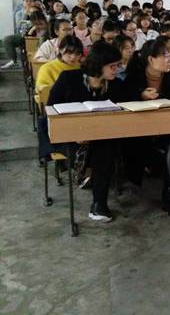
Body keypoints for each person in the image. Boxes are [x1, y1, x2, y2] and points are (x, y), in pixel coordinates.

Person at [48, 41, 126, 222]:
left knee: (105, 149)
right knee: (102, 152)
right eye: (112, 66)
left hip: (105, 137)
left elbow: (126, 110)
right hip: (71, 137)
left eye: (118, 65)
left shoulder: (116, 85)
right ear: (99, 65)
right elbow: (51, 111)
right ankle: (88, 176)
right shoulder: (69, 79)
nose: (116, 70)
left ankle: (99, 203)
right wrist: (74, 135)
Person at [124, 38, 170, 218]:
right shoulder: (134, 77)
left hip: (167, 128)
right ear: (151, 59)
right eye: (165, 56)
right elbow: (124, 100)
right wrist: (140, 95)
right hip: (138, 131)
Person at [1, 0, 35, 69]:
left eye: (31, 1)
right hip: (22, 35)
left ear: (33, 2)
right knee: (7, 39)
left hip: (35, 35)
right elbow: (19, 26)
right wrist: (26, 13)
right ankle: (13, 61)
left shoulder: (37, 11)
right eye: (26, 1)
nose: (29, 3)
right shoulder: (19, 13)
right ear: (23, 2)